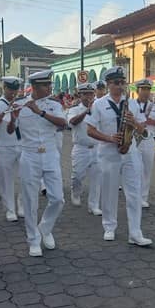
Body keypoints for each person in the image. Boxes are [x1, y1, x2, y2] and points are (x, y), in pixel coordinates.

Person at [87, 66, 153, 246]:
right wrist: (108, 137)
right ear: (108, 84)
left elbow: (143, 131)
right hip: (108, 153)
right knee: (109, 192)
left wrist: (134, 123)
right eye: (117, 82)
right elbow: (90, 130)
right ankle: (109, 226)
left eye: (123, 82)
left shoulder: (132, 103)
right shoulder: (99, 104)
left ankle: (135, 232)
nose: (121, 86)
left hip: (130, 152)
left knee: (134, 192)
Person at [12, 70, 67, 257]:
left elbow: (62, 123)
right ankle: (33, 239)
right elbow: (10, 129)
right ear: (34, 88)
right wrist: (13, 118)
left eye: (49, 84)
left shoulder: (54, 104)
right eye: (45, 85)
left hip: (50, 154)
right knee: (30, 200)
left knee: (58, 198)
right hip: (29, 155)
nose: (49, 88)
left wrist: (40, 112)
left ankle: (45, 227)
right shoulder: (19, 104)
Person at [0, 76, 24, 222]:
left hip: (22, 144)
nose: (13, 93)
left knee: (25, 177)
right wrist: (7, 111)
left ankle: (21, 205)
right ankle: (10, 209)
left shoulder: (21, 103)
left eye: (15, 90)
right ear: (4, 89)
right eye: (10, 89)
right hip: (5, 145)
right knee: (7, 180)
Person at [67, 82, 101, 215]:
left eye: (91, 94)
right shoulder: (74, 109)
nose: (89, 97)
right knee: (77, 176)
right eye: (85, 94)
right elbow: (72, 122)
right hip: (81, 148)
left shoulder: (98, 109)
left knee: (97, 178)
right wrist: (86, 111)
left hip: (97, 147)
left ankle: (94, 205)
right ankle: (75, 193)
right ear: (80, 96)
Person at [134, 79, 155, 208]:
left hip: (148, 139)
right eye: (143, 90)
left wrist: (147, 121)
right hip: (134, 140)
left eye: (148, 90)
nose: (146, 92)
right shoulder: (131, 105)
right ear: (137, 91)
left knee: (146, 169)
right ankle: (135, 195)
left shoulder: (154, 106)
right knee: (135, 169)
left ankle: (143, 197)